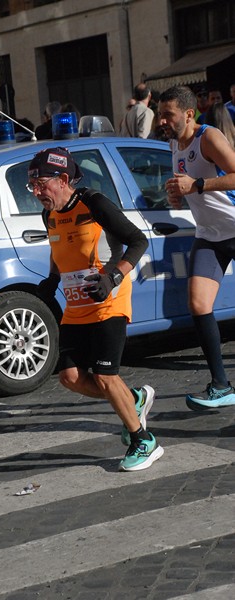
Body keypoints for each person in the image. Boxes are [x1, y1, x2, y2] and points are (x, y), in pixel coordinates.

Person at [27, 147, 163, 471]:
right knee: (70, 377)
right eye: (31, 185)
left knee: (104, 376)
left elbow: (138, 241)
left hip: (108, 301)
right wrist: (52, 278)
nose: (36, 192)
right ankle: (133, 399)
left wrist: (113, 276)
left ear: (63, 179)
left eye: (41, 184)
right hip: (77, 306)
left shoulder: (95, 203)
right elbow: (58, 246)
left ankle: (143, 440)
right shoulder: (49, 214)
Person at [159, 85, 235, 410]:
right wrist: (176, 196)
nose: (161, 120)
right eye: (160, 114)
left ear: (188, 114)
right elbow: (186, 187)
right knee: (198, 304)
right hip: (209, 234)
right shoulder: (174, 143)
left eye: (168, 115)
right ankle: (221, 385)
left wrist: (199, 185)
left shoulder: (209, 137)